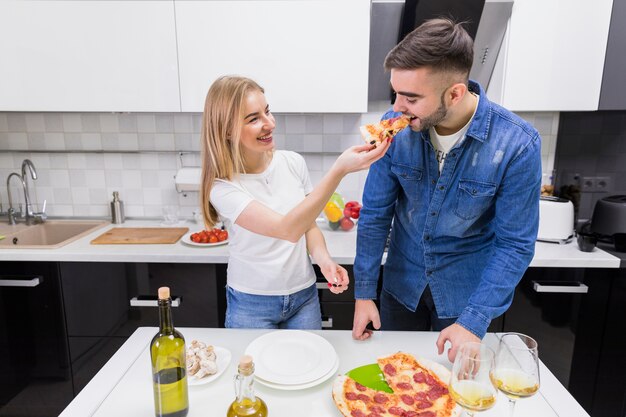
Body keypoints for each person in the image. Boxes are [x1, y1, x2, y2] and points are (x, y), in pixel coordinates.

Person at [351, 18, 542, 361]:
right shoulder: (394, 129)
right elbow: (376, 215)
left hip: (466, 299)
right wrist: (364, 293)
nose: (396, 107)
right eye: (396, 92)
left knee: (454, 396)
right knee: (397, 389)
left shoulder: (517, 144)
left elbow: (515, 244)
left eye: (410, 98)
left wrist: (474, 321)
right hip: (401, 289)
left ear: (455, 93)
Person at [200, 75, 390, 329]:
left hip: (304, 298)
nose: (269, 124)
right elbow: (287, 229)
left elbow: (307, 225)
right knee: (252, 370)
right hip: (251, 305)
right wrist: (338, 171)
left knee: (312, 369)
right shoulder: (223, 187)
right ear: (226, 129)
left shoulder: (292, 162)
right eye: (254, 119)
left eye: (267, 112)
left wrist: (324, 261)